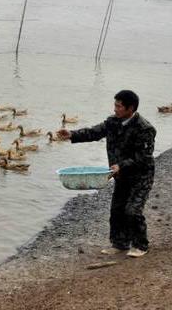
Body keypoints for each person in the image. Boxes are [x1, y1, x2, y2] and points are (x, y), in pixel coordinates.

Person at [57, 90, 156, 258]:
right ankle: (120, 244)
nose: (115, 109)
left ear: (130, 108)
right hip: (120, 175)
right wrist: (72, 134)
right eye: (115, 105)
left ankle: (141, 245)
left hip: (141, 177)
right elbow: (94, 132)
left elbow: (143, 158)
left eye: (119, 106)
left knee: (132, 211)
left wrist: (122, 165)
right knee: (117, 210)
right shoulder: (113, 122)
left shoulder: (145, 129)